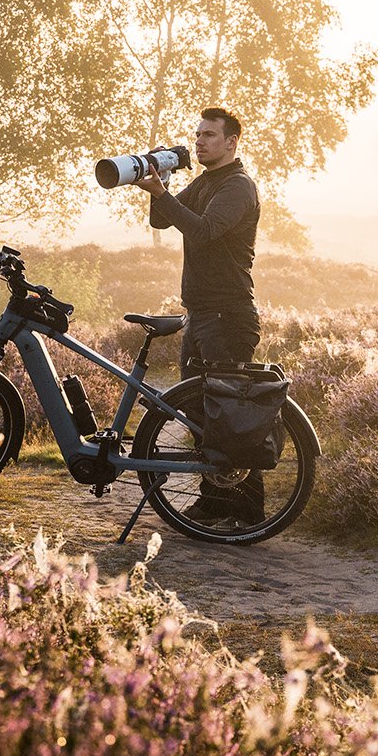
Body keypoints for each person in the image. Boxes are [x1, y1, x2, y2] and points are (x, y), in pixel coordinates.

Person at [136, 106, 263, 523]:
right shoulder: (205, 181)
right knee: (199, 411)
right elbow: (162, 219)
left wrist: (163, 195)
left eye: (209, 135)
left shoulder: (238, 186)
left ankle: (246, 510)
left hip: (228, 315)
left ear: (231, 143)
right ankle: (214, 501)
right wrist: (160, 181)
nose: (200, 142)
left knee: (231, 415)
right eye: (198, 135)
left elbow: (204, 231)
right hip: (200, 314)